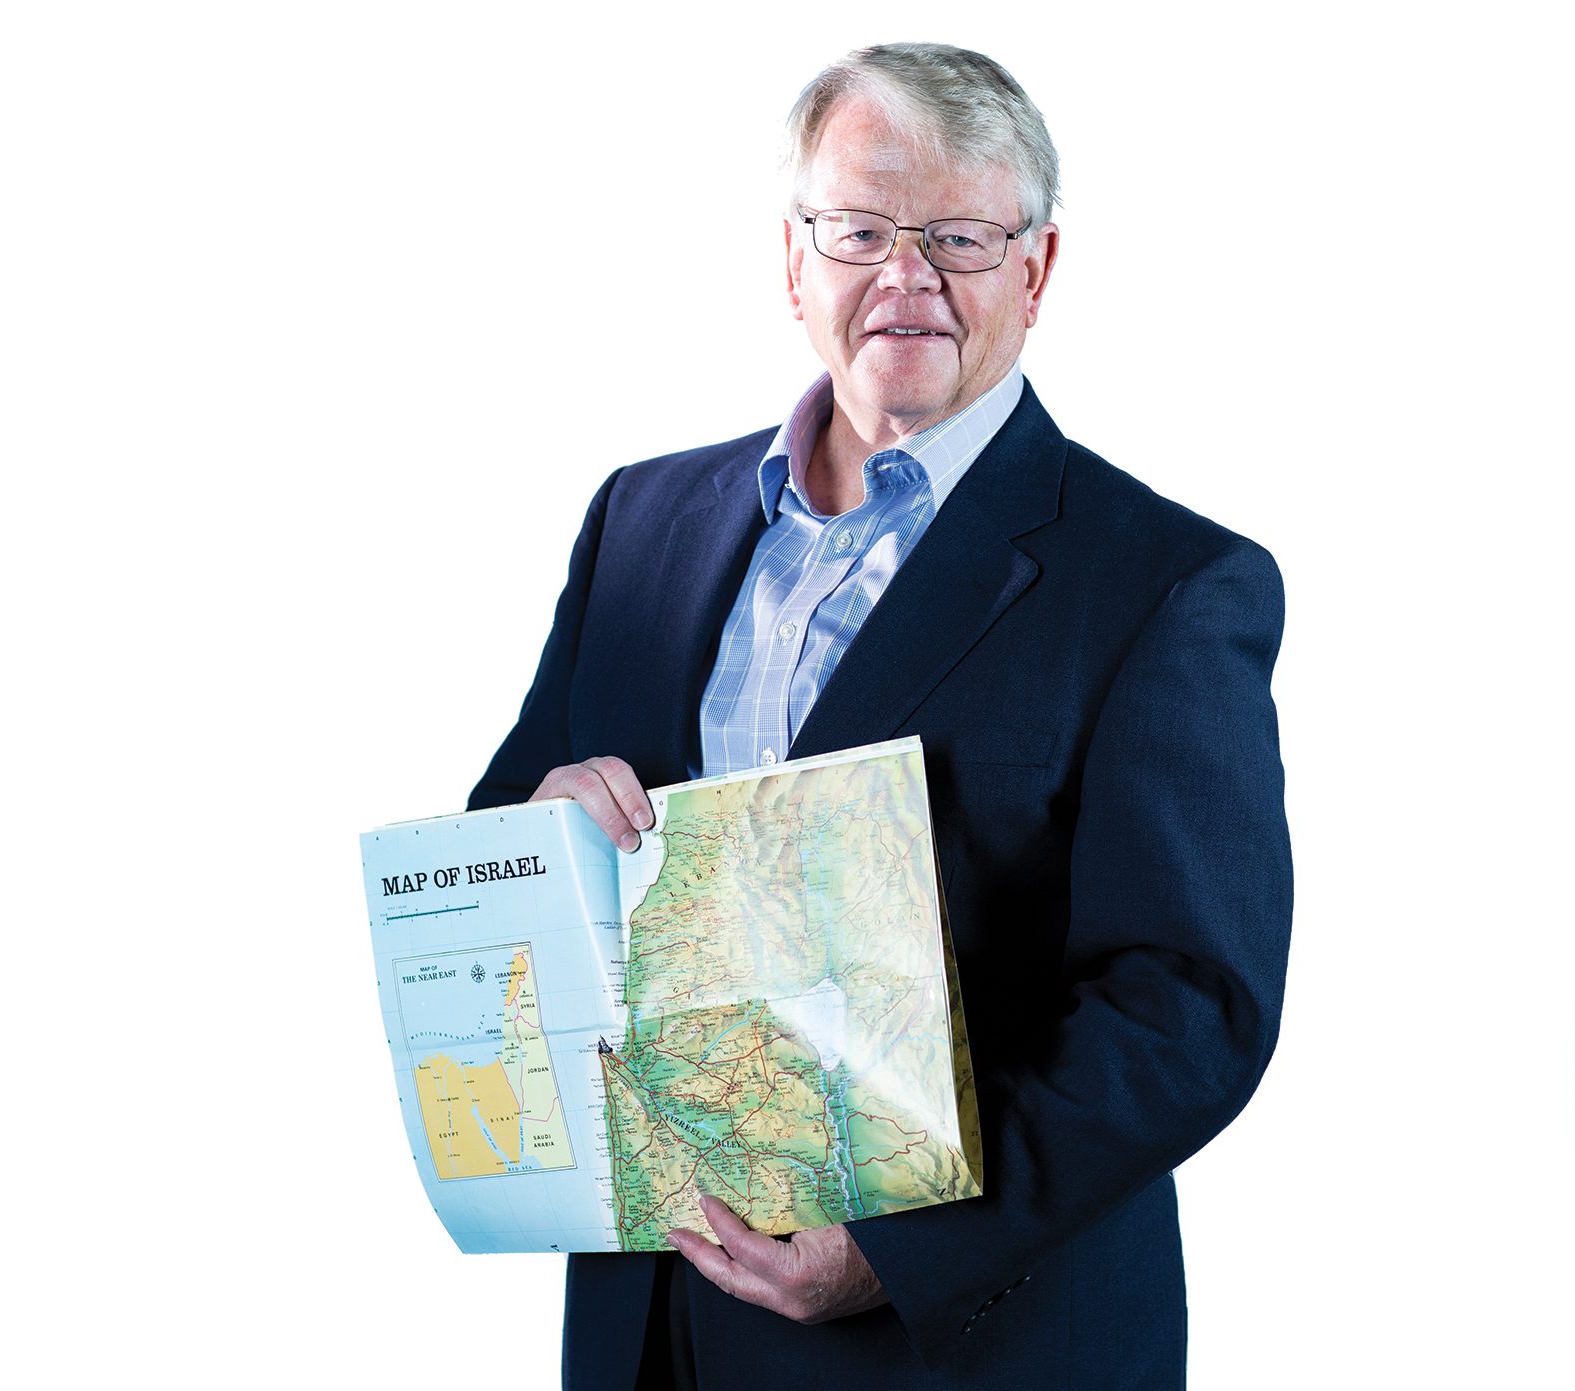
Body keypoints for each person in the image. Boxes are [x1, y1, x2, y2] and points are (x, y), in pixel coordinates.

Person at [467, 42, 1292, 1391]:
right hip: (650, 1335)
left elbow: (1187, 1007)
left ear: (1038, 269)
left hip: (966, 1343)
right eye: (859, 230)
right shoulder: (645, 523)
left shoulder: (1164, 585)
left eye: (959, 236)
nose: (906, 279)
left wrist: (905, 1242)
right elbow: (505, 841)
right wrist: (542, 832)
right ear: (795, 262)